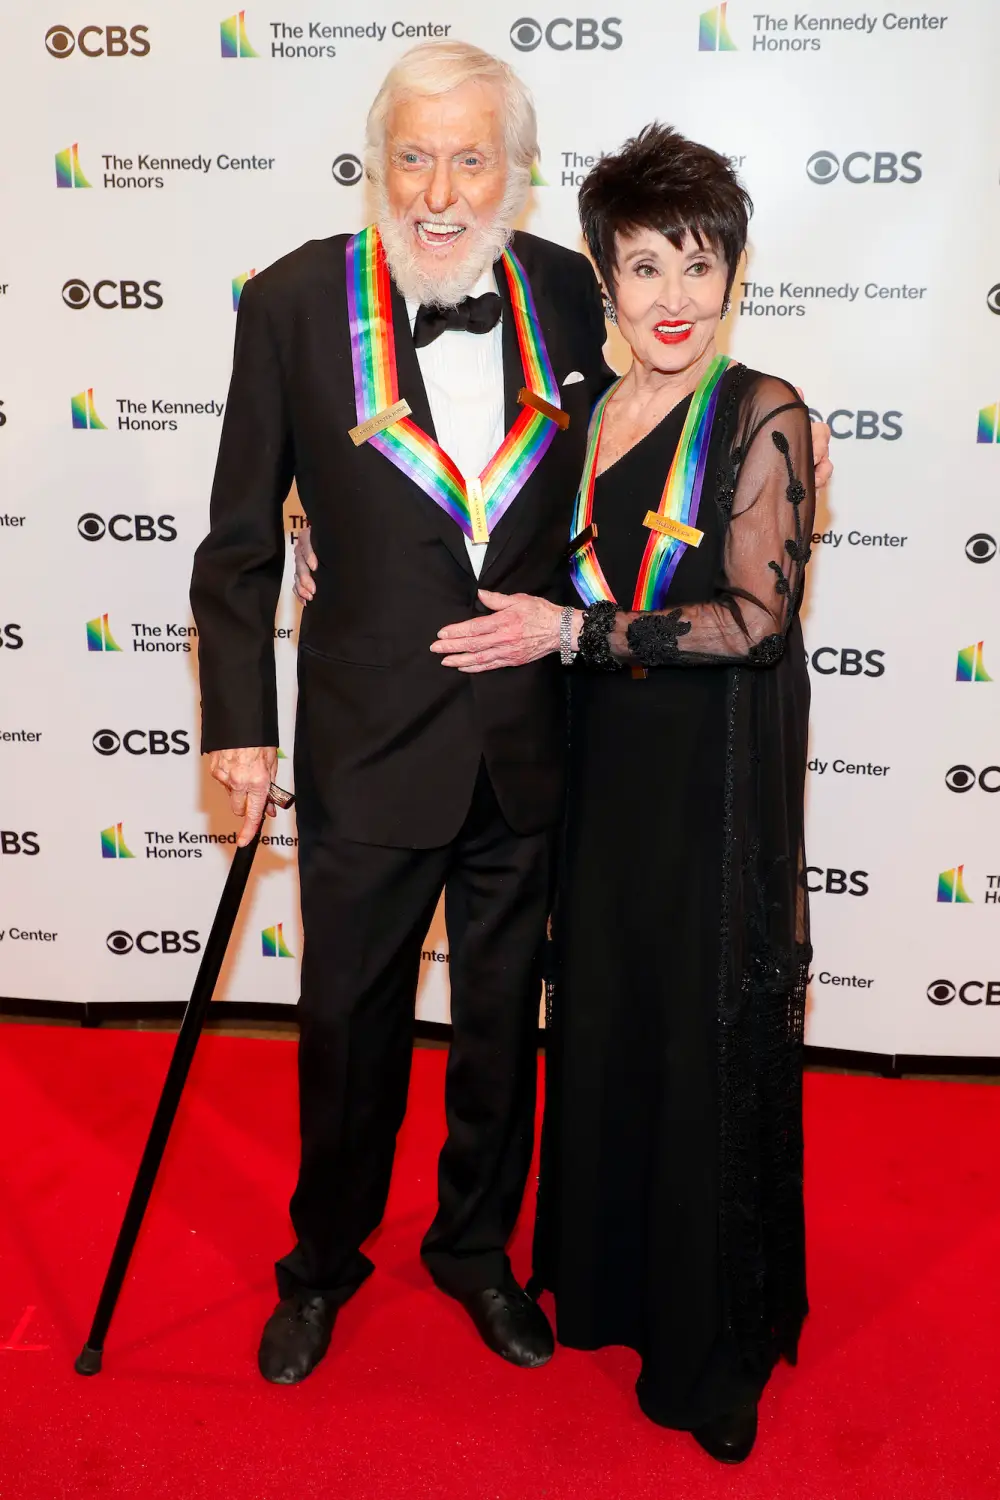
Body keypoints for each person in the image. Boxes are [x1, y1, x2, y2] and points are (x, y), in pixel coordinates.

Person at [194, 39, 829, 1397]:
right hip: (365, 740)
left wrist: (777, 436)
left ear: (516, 173)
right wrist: (236, 720)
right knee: (346, 1029)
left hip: (538, 740)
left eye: (466, 157)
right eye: (409, 156)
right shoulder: (295, 302)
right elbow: (240, 540)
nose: (435, 190)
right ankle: (322, 1261)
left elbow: (658, 421)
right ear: (377, 165)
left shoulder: (563, 290)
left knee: (499, 1025)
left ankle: (477, 1248)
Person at [419, 125, 814, 1464]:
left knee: (700, 1026)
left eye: (698, 265)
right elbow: (514, 556)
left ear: (735, 275)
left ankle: (714, 1345)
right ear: (605, 277)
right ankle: (608, 1284)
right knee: (605, 1015)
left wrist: (576, 638)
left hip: (708, 778)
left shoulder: (765, 410)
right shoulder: (587, 409)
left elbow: (754, 620)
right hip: (601, 770)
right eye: (643, 266)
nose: (672, 297)